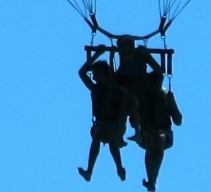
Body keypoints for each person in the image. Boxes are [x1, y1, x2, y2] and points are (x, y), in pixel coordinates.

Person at [78, 48, 129, 182]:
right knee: (98, 134)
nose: (93, 77)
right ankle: (89, 170)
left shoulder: (116, 88)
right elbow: (82, 73)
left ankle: (119, 167)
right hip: (100, 123)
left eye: (95, 74)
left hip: (115, 124)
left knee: (111, 134)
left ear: (103, 74)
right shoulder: (96, 89)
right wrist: (97, 54)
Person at [135, 70, 183, 191]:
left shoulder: (166, 96)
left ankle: (153, 180)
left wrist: (172, 102)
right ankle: (151, 179)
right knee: (151, 141)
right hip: (147, 132)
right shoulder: (141, 97)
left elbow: (178, 120)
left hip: (164, 132)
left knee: (159, 139)